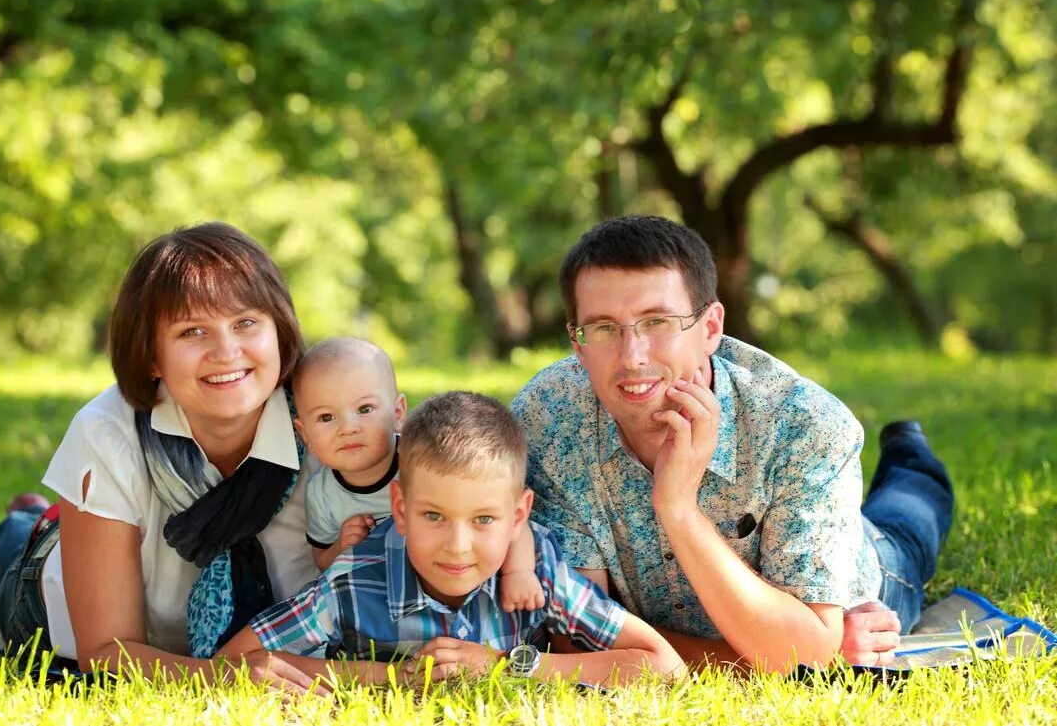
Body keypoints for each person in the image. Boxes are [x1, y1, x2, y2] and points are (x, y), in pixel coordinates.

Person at [511, 215, 954, 673]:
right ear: (577, 343)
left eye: (657, 321)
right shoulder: (549, 418)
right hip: (771, 618)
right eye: (604, 328)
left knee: (911, 514)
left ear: (710, 328)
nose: (632, 357)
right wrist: (782, 649)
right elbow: (579, 641)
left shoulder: (805, 425)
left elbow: (800, 654)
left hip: (867, 570)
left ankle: (909, 450)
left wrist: (678, 508)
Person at [0, 222, 322, 690]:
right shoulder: (107, 432)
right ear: (151, 356)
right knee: (12, 547)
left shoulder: (331, 419)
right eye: (193, 331)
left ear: (279, 332)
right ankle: (34, 523)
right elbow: (104, 652)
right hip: (46, 603)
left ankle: (49, 517)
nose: (226, 351)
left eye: (245, 323)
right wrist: (223, 678)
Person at [206, 391, 686, 686]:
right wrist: (389, 676)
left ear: (519, 516)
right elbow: (237, 662)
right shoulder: (352, 581)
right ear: (400, 509)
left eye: (483, 520)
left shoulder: (535, 572)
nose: (458, 546)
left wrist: (508, 665)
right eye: (433, 515)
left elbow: (664, 666)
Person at [294, 337, 543, 605]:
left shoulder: (425, 464)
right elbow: (320, 560)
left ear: (398, 412)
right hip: (387, 598)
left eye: (365, 409)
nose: (348, 427)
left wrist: (519, 572)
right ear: (304, 432)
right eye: (326, 417)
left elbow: (508, 517)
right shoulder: (321, 494)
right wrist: (340, 548)